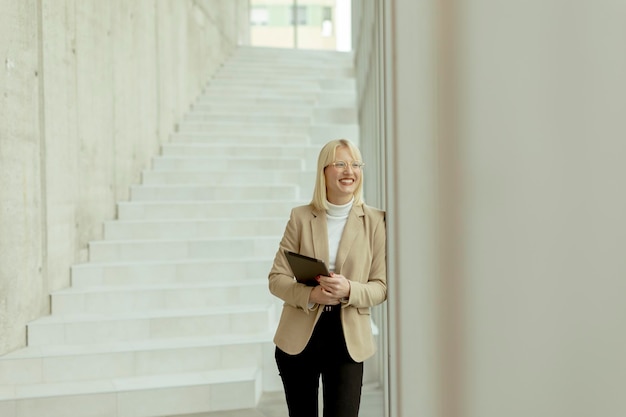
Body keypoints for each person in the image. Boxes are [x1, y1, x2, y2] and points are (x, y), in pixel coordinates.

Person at [268, 139, 387, 417]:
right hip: (298, 339)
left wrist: (349, 289)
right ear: (324, 171)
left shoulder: (375, 222)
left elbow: (381, 287)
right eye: (341, 164)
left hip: (347, 341)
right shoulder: (300, 217)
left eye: (356, 164)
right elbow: (276, 278)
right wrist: (311, 295)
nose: (350, 171)